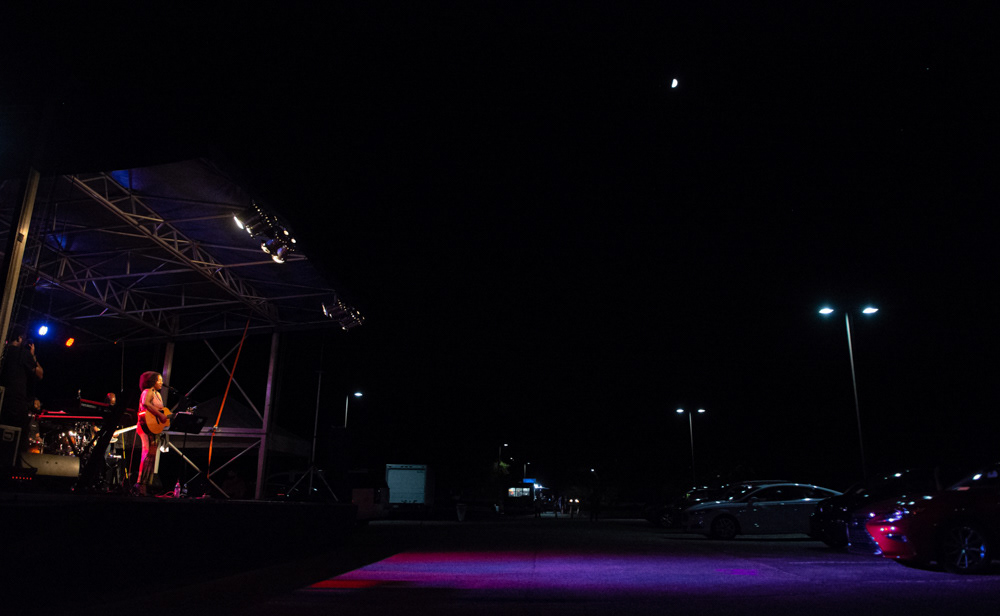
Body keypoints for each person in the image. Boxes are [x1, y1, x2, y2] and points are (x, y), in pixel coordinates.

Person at [0, 326, 43, 455]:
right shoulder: (22, 353)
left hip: (2, 399)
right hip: (16, 401)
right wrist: (33, 355)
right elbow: (40, 374)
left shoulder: (4, 352)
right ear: (19, 338)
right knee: (18, 439)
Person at [134, 371, 167, 496]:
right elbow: (146, 404)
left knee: (152, 456)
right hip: (145, 426)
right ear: (152, 381)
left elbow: (161, 411)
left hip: (154, 427)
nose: (162, 382)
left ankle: (147, 484)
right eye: (159, 380)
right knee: (147, 453)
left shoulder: (158, 394)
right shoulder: (147, 392)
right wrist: (159, 415)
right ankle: (140, 484)